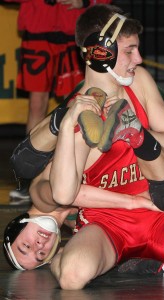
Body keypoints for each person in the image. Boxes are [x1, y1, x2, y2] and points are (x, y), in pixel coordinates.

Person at [5, 4, 164, 289]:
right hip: (106, 225)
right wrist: (71, 131)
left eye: (137, 49)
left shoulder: (140, 82)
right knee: (72, 276)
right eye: (130, 51)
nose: (139, 58)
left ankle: (159, 261)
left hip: (156, 215)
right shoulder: (82, 114)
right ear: (100, 52)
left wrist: (137, 130)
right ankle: (70, 258)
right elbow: (62, 192)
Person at [4, 0, 111, 205]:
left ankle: (78, 172)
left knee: (76, 102)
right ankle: (30, 175)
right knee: (37, 103)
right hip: (38, 32)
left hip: (73, 34)